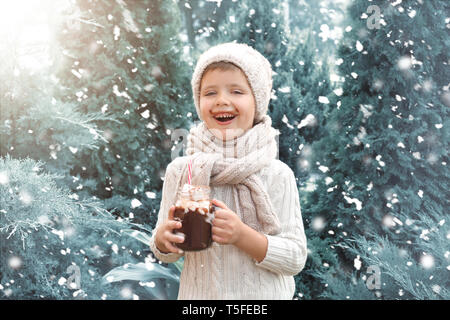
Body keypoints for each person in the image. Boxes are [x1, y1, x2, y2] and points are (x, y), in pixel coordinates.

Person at [149, 42, 307, 300]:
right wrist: (163, 240)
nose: (222, 101)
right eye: (210, 93)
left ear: (257, 102)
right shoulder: (182, 170)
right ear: (198, 102)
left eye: (236, 91)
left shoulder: (276, 174)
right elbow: (166, 251)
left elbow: (295, 257)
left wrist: (242, 236)